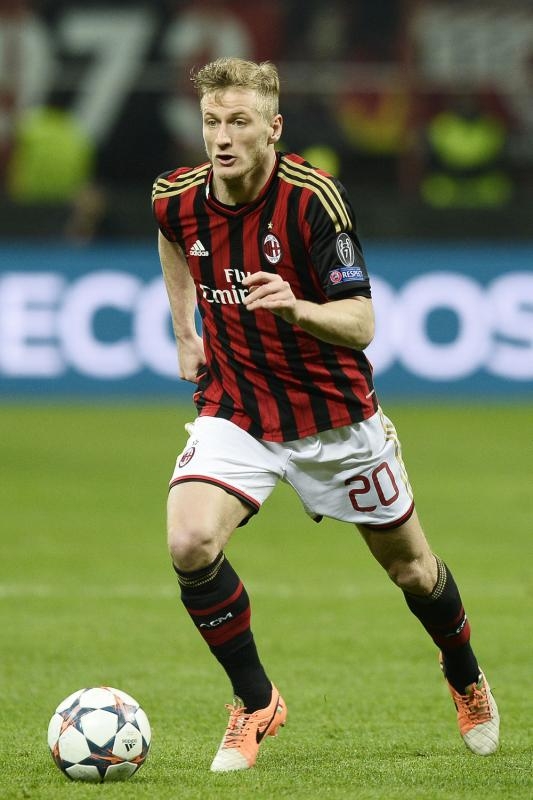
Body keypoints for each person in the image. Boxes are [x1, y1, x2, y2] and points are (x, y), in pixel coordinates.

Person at [152, 57, 499, 772]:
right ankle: (256, 701)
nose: (223, 137)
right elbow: (172, 236)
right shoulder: (176, 195)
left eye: (240, 122)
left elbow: (362, 323)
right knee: (190, 541)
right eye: (213, 122)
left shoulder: (313, 200)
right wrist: (186, 331)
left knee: (412, 570)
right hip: (237, 409)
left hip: (335, 418)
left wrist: (297, 307)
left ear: (273, 127)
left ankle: (464, 673)